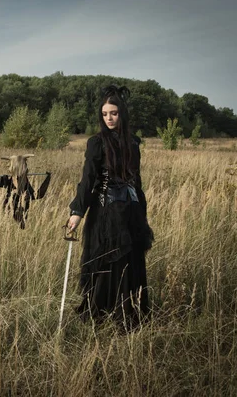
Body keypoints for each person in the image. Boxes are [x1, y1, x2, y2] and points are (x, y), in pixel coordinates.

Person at [67, 85, 153, 329]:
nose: (109, 118)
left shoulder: (133, 142)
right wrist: (77, 212)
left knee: (129, 261)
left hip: (131, 212)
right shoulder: (97, 142)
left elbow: (136, 180)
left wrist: (142, 214)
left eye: (113, 113)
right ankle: (102, 313)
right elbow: (88, 179)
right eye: (105, 114)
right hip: (105, 211)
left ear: (122, 113)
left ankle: (127, 313)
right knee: (106, 261)